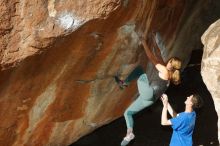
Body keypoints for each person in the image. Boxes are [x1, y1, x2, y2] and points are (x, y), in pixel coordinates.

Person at [115, 33, 182, 146]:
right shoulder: (169, 77)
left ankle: (124, 83)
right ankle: (129, 133)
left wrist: (144, 43)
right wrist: (154, 42)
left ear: (171, 62)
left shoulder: (165, 71)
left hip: (149, 93)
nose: (169, 60)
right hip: (150, 100)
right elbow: (159, 55)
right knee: (128, 113)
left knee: (141, 72)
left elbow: (152, 58)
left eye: (170, 60)